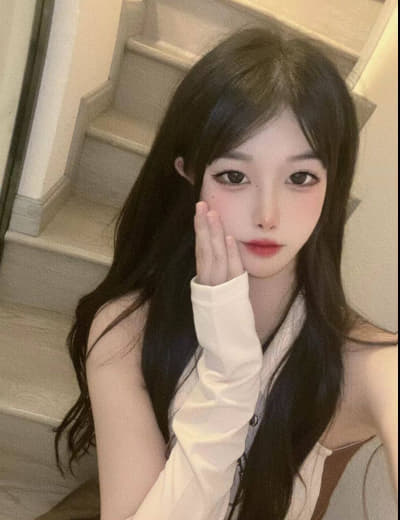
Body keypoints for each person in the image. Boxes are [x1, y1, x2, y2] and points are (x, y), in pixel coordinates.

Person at [39, 25, 397, 520]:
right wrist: (228, 377)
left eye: (300, 177)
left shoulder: (366, 361)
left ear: (332, 182)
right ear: (189, 174)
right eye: (234, 175)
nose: (267, 215)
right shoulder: (128, 328)